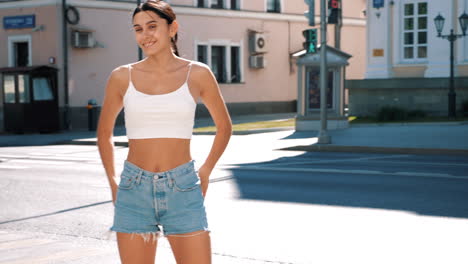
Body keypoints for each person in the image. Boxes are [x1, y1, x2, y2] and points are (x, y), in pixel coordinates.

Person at [96, 1, 232, 263]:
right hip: (133, 188)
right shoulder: (121, 77)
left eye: (152, 26)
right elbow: (104, 134)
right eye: (138, 29)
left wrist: (204, 172)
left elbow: (224, 128)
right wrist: (113, 182)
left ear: (173, 28)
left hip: (182, 186)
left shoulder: (198, 73)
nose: (145, 35)